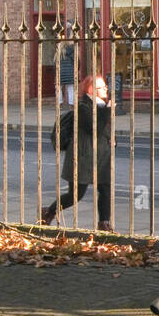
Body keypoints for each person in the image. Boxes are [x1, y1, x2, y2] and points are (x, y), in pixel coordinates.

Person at [42, 74, 112, 230]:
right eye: (101, 87)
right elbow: (95, 129)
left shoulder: (101, 106)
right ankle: (49, 212)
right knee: (76, 195)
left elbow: (105, 132)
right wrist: (107, 112)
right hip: (82, 157)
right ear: (91, 90)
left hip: (101, 157)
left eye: (105, 87)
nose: (106, 90)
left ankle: (104, 223)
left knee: (105, 189)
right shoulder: (83, 107)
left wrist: (112, 141)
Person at [59, 26, 75, 105]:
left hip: (60, 73)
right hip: (70, 73)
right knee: (70, 88)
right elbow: (76, 61)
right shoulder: (71, 51)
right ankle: (72, 103)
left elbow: (54, 64)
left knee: (59, 88)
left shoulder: (57, 54)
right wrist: (76, 70)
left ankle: (60, 102)